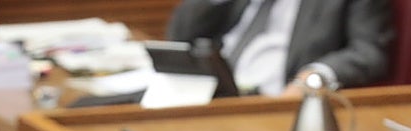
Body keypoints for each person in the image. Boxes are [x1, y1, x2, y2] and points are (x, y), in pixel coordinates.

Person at [165, 0, 395, 96]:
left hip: (273, 99)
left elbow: (369, 52)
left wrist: (314, 77)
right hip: (206, 88)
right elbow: (180, 33)